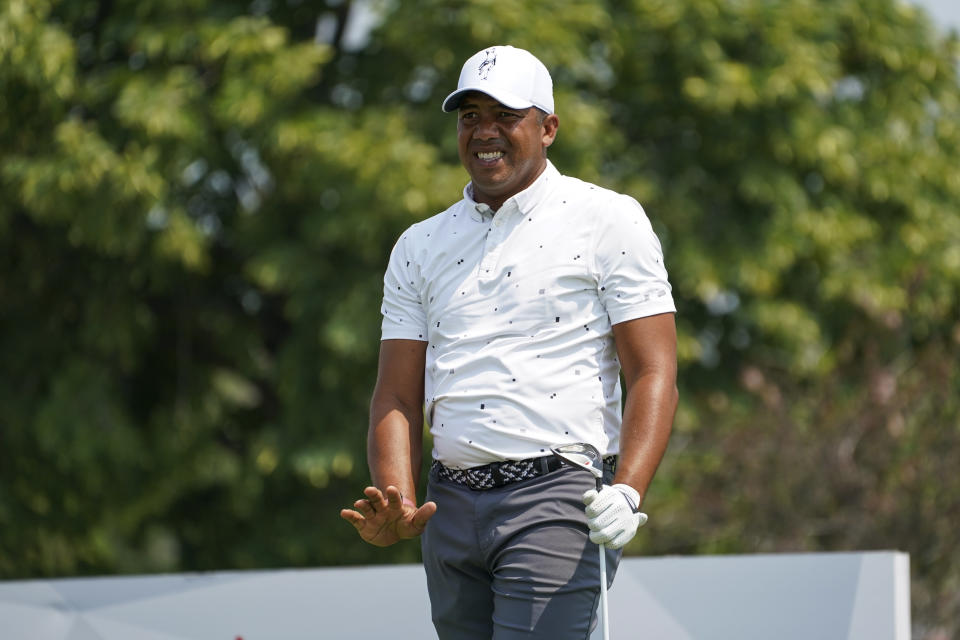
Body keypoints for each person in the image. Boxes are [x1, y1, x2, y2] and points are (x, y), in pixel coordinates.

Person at [340, 44, 678, 639]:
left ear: (548, 128)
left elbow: (654, 372)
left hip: (558, 500)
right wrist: (397, 495)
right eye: (470, 116)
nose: (484, 132)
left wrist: (628, 490)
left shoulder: (608, 219)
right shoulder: (419, 244)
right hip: (450, 504)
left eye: (505, 116)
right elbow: (395, 394)